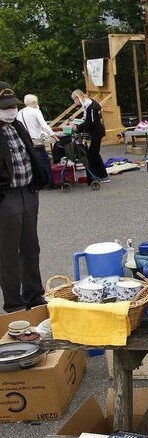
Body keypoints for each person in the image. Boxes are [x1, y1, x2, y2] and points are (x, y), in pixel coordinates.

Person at [0, 81, 48, 313]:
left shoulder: (17, 125)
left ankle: (34, 295)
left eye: (12, 106)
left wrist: (38, 182)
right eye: (5, 106)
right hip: (5, 198)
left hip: (28, 192)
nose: (11, 110)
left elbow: (30, 154)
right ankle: (14, 304)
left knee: (31, 248)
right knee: (8, 253)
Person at [16, 94, 55, 188]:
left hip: (25, 140)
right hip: (36, 140)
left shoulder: (19, 112)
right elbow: (44, 125)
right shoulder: (35, 111)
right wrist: (53, 134)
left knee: (31, 161)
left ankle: (35, 182)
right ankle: (49, 182)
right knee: (44, 161)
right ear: (34, 102)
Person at [70, 89, 109, 182]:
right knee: (93, 153)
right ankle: (100, 175)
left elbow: (90, 122)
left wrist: (78, 128)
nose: (74, 102)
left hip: (96, 132)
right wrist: (78, 122)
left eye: (74, 100)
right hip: (96, 131)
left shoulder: (90, 105)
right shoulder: (88, 104)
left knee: (93, 154)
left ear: (77, 97)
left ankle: (102, 175)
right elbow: (86, 118)